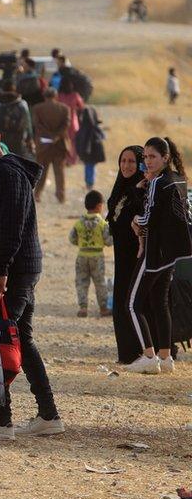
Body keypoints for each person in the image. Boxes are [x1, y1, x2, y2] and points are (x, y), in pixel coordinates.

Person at [0, 116, 64, 440]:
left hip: (16, 269)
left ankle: (1, 420)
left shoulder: (6, 172)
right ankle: (48, 415)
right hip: (18, 267)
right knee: (23, 339)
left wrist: (1, 271)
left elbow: (12, 226)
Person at [124, 137, 192, 375]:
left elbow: (148, 218)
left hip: (155, 253)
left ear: (165, 157)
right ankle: (166, 358)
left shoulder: (157, 183)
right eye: (145, 157)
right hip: (172, 254)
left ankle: (149, 356)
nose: (147, 161)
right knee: (160, 302)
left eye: (152, 156)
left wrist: (135, 220)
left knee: (132, 304)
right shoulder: (179, 179)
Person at [107, 146, 147, 364]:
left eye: (132, 161)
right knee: (121, 303)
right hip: (121, 258)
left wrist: (137, 192)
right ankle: (127, 354)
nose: (126, 165)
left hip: (137, 259)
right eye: (123, 161)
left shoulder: (143, 189)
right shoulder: (120, 189)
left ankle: (143, 353)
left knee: (135, 304)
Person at [69, 190, 113, 318]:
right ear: (99, 206)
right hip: (97, 256)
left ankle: (83, 307)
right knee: (100, 282)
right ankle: (103, 308)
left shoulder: (79, 223)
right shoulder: (102, 224)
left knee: (82, 282)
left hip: (82, 255)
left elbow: (72, 238)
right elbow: (109, 241)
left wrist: (82, 243)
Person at [32, 88, 72, 203]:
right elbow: (66, 125)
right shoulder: (65, 108)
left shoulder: (37, 108)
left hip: (44, 145)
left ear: (44, 96)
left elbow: (37, 125)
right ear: (56, 96)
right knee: (59, 172)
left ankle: (37, 194)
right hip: (59, 145)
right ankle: (61, 196)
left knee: (41, 172)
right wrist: (56, 136)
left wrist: (48, 136)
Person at [0, 79, 33, 157]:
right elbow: (27, 123)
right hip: (18, 139)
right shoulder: (22, 103)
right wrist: (30, 138)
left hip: (0, 140)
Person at [76, 106, 106, 191]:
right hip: (93, 153)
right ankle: (89, 184)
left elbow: (78, 140)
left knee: (89, 167)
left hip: (86, 153)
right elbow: (103, 137)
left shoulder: (83, 127)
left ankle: (89, 184)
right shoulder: (95, 127)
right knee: (90, 167)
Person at [58, 79, 85, 165]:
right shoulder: (75, 95)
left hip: (62, 122)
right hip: (73, 122)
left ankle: (64, 158)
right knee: (73, 142)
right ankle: (72, 159)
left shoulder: (59, 96)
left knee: (63, 140)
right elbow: (82, 106)